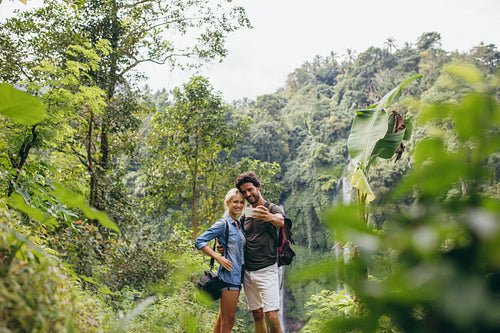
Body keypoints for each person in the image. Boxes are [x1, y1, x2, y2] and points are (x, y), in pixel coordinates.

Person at [236, 171, 285, 333]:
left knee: (271, 315)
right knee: (257, 314)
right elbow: (239, 237)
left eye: (250, 190)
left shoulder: (271, 208)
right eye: (244, 192)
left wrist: (269, 217)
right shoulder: (246, 214)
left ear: (258, 187)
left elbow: (280, 221)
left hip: (267, 269)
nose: (247, 194)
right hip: (248, 272)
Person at [194, 188, 246, 333]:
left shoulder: (238, 224)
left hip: (237, 276)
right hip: (229, 277)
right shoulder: (223, 223)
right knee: (228, 322)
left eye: (242, 202)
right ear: (227, 202)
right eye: (235, 202)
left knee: (222, 320)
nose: (239, 205)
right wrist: (218, 257)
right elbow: (199, 241)